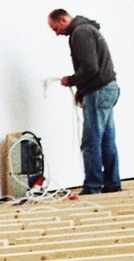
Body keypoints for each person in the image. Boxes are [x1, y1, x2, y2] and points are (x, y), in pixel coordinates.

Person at [48, 8, 121, 195]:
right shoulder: (88, 29)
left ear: (63, 19)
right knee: (106, 140)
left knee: (91, 141)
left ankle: (93, 186)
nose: (56, 34)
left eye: (55, 28)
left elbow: (90, 67)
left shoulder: (80, 33)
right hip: (107, 88)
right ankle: (112, 184)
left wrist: (71, 80)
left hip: (98, 91)